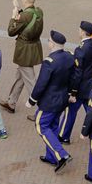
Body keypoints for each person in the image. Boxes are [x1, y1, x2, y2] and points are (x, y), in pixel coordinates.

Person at [31, 31, 76, 171]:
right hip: (62, 99)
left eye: (49, 41)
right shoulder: (69, 56)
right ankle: (51, 157)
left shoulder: (49, 62)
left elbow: (41, 83)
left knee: (41, 125)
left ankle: (61, 155)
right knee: (53, 126)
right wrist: (70, 93)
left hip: (49, 101)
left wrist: (32, 99)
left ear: (53, 44)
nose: (48, 43)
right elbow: (73, 77)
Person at [3, 0, 44, 113]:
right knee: (20, 77)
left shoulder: (24, 16)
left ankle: (43, 110)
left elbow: (11, 31)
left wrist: (13, 16)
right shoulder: (38, 12)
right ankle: (11, 102)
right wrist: (19, 10)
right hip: (34, 48)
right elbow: (27, 19)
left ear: (25, 0)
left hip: (24, 51)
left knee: (31, 82)